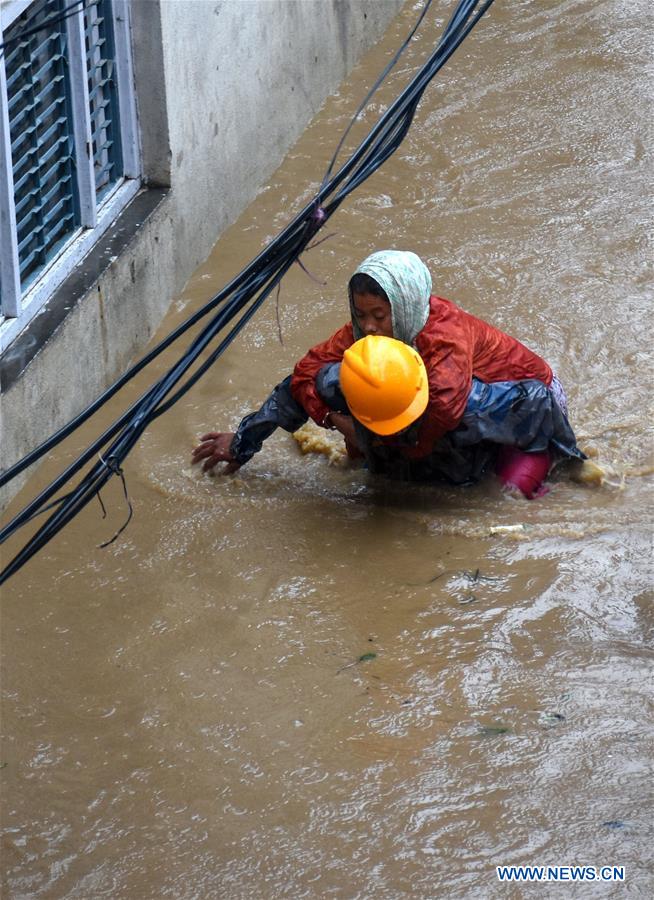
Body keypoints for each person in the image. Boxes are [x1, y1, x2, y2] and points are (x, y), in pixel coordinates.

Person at [192, 250, 584, 497]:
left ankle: (540, 457)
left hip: (520, 400)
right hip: (442, 410)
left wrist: (370, 439)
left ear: (407, 306)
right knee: (337, 377)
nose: (371, 327)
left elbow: (441, 416)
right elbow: (303, 376)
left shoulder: (443, 340)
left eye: (381, 316)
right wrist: (249, 439)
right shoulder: (362, 335)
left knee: (473, 472)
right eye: (361, 315)